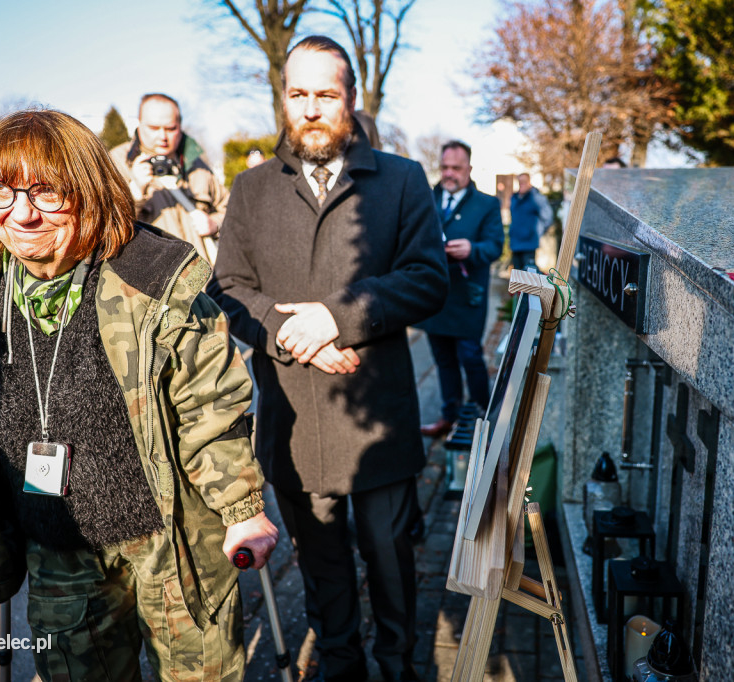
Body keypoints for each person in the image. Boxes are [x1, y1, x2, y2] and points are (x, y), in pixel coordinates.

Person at [0, 109, 277, 682]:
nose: (23, 213)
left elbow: (212, 408)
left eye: (47, 192)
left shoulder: (155, 281)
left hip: (170, 539)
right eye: (1, 191)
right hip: (55, 544)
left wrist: (241, 509)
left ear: (89, 191)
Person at [211, 35, 448, 682]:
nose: (311, 108)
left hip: (379, 420)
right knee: (324, 572)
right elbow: (227, 290)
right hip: (294, 419)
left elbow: (429, 278)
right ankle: (341, 667)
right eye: (298, 94)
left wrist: (337, 318)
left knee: (392, 564)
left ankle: (398, 666)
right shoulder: (252, 189)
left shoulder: (400, 179)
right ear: (284, 98)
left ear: (351, 98)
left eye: (326, 93)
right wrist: (293, 336)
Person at [417, 141, 504, 438]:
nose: (449, 174)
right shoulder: (426, 198)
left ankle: (484, 416)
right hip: (434, 295)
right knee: (442, 359)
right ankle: (449, 417)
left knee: (470, 356)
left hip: (467, 296)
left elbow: (494, 246)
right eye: (444, 167)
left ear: (468, 169)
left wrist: (472, 248)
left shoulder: (487, 204)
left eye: (456, 168)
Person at [110, 93, 227, 264]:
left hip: (207, 282)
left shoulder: (196, 164)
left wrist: (214, 224)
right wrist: (135, 192)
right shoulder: (117, 163)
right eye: (154, 128)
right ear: (139, 124)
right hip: (153, 284)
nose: (163, 137)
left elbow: (232, 210)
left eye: (170, 128)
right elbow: (106, 226)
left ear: (180, 126)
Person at [508, 172, 552, 272]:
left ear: (529, 182)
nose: (521, 184)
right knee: (517, 277)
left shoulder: (536, 198)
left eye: (524, 182)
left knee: (528, 275)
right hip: (515, 243)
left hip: (529, 244)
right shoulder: (514, 198)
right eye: (520, 182)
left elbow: (547, 217)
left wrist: (537, 232)